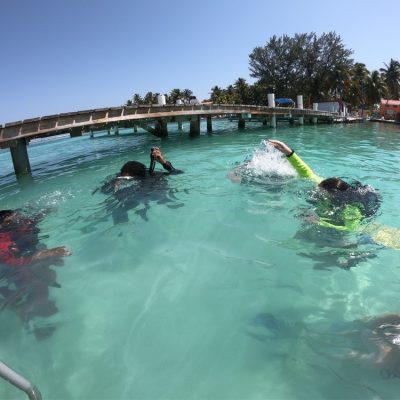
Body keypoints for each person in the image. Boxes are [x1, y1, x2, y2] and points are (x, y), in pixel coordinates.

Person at [0, 209, 71, 339]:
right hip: (12, 265)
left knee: (48, 275)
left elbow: (37, 217)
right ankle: (29, 320)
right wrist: (47, 254)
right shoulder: (3, 244)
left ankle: (28, 316)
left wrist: (46, 211)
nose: (17, 220)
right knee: (38, 285)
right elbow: (13, 262)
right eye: (11, 221)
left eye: (16, 218)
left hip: (25, 254)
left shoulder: (22, 224)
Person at [96, 147, 183, 224]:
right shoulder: (154, 173)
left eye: (122, 172)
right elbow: (178, 172)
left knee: (118, 203)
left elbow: (105, 191)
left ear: (126, 173)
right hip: (160, 193)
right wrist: (163, 162)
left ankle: (121, 223)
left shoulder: (124, 180)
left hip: (144, 193)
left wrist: (115, 182)